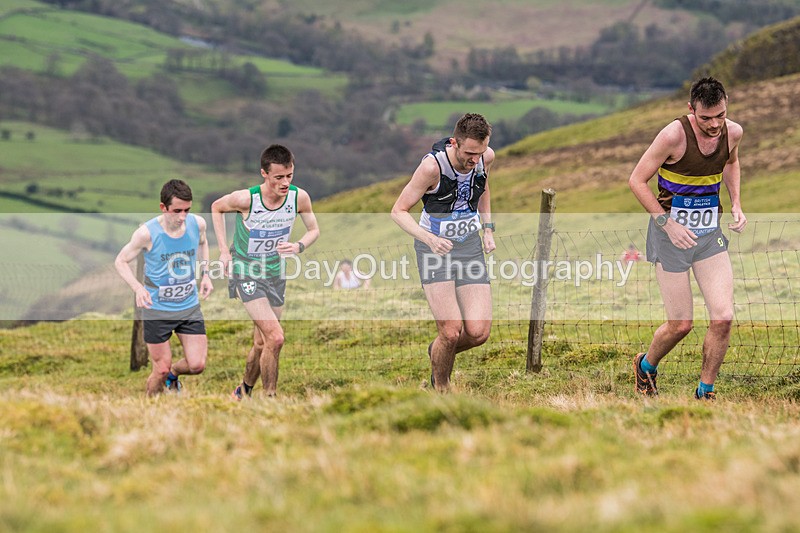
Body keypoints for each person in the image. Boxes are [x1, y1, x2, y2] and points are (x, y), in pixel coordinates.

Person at [628, 77, 747, 400]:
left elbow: (732, 163)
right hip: (670, 239)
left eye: (720, 116)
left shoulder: (733, 132)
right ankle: (645, 365)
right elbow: (636, 181)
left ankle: (705, 393)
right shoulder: (673, 135)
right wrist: (668, 225)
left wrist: (736, 203)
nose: (714, 125)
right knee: (681, 324)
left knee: (723, 317)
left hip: (708, 236)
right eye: (706, 118)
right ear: (691, 110)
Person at [391, 113, 496, 392]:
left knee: (478, 333)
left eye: (480, 152)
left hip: (469, 246)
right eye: (470, 153)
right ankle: (442, 388)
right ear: (454, 143)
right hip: (433, 250)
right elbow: (398, 211)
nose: (475, 159)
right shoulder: (432, 167)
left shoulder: (485, 158)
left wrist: (488, 229)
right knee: (450, 331)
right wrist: (429, 239)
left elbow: (484, 188)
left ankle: (438, 350)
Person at [211, 144, 319, 399]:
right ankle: (270, 399)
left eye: (289, 176)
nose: (285, 183)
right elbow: (216, 207)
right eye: (278, 177)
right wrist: (224, 251)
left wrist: (298, 246)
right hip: (246, 271)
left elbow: (314, 229)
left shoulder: (299, 198)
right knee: (276, 338)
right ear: (264, 173)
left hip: (275, 273)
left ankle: (243, 391)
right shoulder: (246, 199)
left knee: (262, 343)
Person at [114, 179, 213, 396]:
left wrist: (206, 274)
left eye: (187, 210)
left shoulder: (198, 224)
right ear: (163, 207)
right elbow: (120, 261)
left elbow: (203, 243)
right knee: (160, 368)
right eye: (177, 211)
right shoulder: (147, 234)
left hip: (188, 307)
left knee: (197, 365)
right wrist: (138, 288)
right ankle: (150, 407)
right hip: (157, 309)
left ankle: (173, 376)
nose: (182, 217)